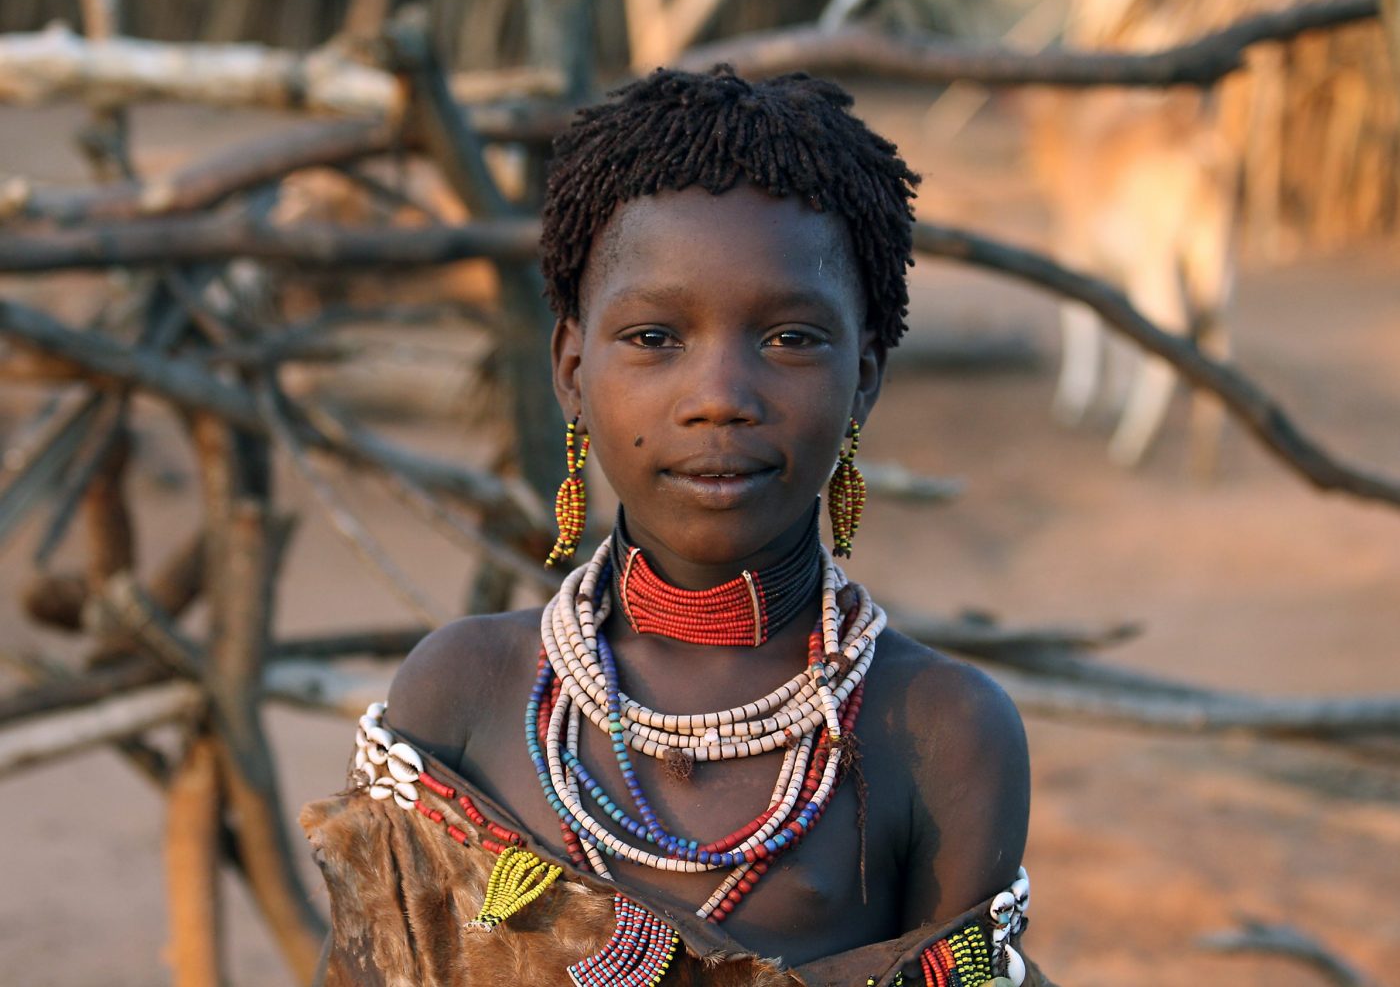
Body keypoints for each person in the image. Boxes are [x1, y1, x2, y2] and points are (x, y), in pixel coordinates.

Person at [302, 65, 1041, 987]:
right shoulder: (462, 694)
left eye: (791, 338)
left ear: (866, 375)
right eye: (654, 338)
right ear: (572, 368)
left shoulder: (940, 732)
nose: (720, 398)